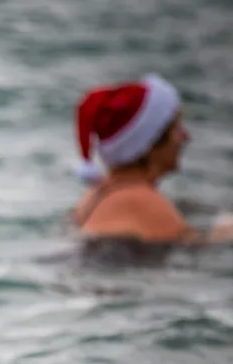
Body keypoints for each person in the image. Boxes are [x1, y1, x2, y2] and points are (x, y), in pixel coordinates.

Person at [71, 74, 233, 243]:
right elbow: (199, 253)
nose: (186, 136)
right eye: (176, 127)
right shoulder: (142, 201)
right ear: (150, 142)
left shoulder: (97, 192)